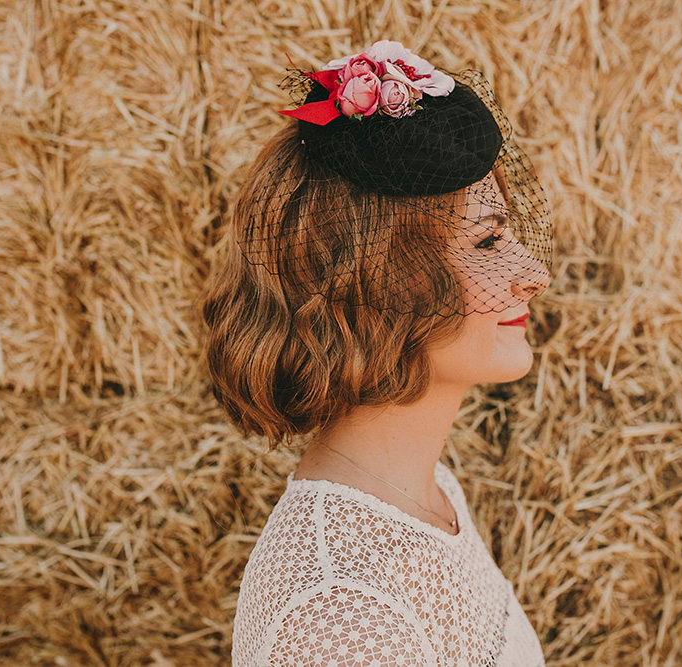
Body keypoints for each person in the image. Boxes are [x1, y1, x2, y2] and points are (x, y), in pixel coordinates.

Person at [203, 40, 553, 666]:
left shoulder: (428, 494)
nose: (533, 272)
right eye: (488, 242)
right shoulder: (337, 614)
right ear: (383, 283)